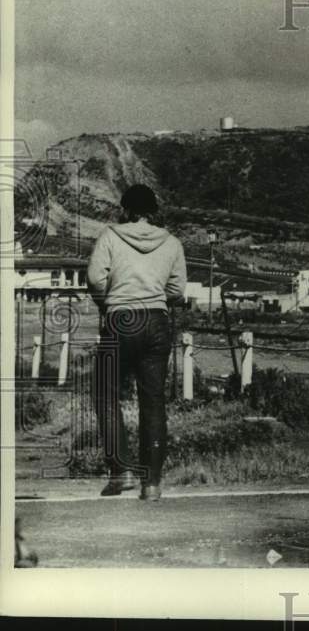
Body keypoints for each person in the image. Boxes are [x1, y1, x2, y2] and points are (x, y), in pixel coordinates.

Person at [87, 184, 186, 501]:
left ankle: (121, 471)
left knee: (105, 393)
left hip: (121, 319)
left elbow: (94, 279)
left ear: (125, 209)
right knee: (153, 401)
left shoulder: (110, 236)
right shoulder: (171, 242)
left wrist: (109, 302)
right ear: (154, 211)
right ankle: (152, 484)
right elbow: (177, 290)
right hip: (157, 322)